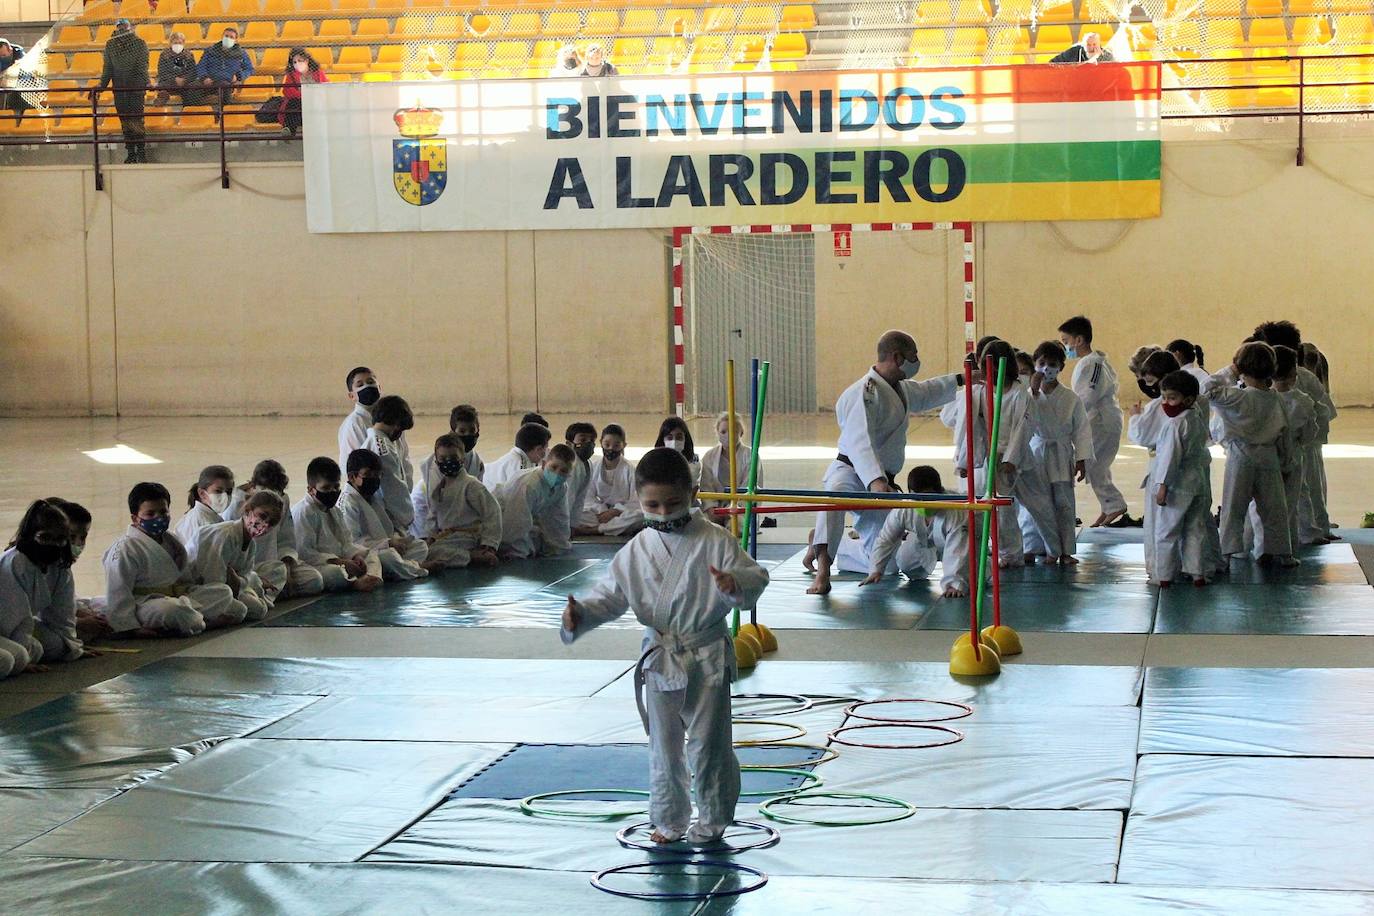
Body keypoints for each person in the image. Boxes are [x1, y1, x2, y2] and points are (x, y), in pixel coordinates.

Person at [560, 448, 769, 845]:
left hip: (704, 654)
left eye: (672, 503)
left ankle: (712, 819)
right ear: (638, 501)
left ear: (692, 494)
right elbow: (610, 597)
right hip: (660, 656)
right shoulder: (635, 550)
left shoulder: (715, 540)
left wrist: (735, 585)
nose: (662, 511)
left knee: (709, 744)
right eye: (652, 504)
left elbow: (755, 576)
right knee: (664, 745)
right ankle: (670, 819)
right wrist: (580, 614)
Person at [804, 330, 966, 595]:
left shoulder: (899, 388)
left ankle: (834, 545)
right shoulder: (864, 392)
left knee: (887, 565)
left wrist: (962, 378)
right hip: (851, 472)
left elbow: (928, 391)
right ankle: (822, 571)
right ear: (897, 357)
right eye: (913, 355)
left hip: (882, 480)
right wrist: (875, 480)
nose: (917, 360)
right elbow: (859, 440)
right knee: (834, 501)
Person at [98, 482, 244, 637]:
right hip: (145, 604)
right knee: (172, 610)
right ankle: (205, 623)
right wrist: (130, 627)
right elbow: (118, 591)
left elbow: (185, 578)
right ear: (135, 518)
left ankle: (188, 621)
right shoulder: (124, 548)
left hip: (179, 597)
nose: (158, 518)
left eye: (163, 512)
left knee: (225, 595)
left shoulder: (171, 540)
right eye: (150, 514)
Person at [1204, 342, 1295, 567]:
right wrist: (1286, 462)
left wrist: (1230, 371)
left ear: (1241, 367)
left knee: (1233, 507)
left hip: (1240, 456)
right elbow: (1285, 434)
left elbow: (1206, 390)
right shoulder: (1275, 399)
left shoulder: (1236, 397)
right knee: (1275, 508)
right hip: (1268, 456)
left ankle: (1227, 552)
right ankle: (1281, 552)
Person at [1252, 321, 1337, 544]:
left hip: (1294, 445)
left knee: (1303, 489)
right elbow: (1325, 411)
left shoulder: (1301, 378)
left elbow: (1322, 411)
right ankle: (1312, 529)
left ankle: (1313, 529)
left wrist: (1310, 437)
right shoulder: (1264, 377)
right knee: (1305, 489)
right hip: (1291, 446)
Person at [951, 339, 1031, 569]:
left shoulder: (1019, 394)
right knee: (977, 507)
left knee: (1002, 511)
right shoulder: (978, 392)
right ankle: (977, 551)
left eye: (995, 370)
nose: (991, 375)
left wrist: (1010, 460)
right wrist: (965, 460)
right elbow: (967, 428)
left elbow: (1022, 429)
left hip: (1004, 456)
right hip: (984, 455)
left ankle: (1011, 554)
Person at [1022, 341, 1094, 565]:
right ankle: (1032, 547)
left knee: (1063, 503)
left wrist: (1082, 459)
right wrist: (1033, 391)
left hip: (1061, 453)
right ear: (1034, 365)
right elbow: (1021, 420)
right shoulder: (1027, 395)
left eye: (1052, 364)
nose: (1046, 369)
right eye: (1042, 363)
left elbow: (1082, 430)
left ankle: (1064, 550)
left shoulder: (1071, 398)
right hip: (1035, 452)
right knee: (1034, 503)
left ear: (1061, 367)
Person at [1142, 371, 1214, 587]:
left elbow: (1169, 458)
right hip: (1197, 481)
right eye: (1163, 397)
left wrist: (1162, 485)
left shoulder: (1175, 425)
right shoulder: (1197, 418)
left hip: (1177, 484)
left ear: (1189, 399)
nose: (1166, 403)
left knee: (1167, 530)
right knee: (1195, 529)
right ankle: (1197, 573)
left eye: (1172, 398)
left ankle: (1164, 576)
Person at [1058, 316, 1130, 528]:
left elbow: (1087, 397)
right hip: (1098, 419)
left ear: (1078, 340)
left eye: (1066, 341)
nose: (1066, 346)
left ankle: (1114, 504)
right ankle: (1108, 505)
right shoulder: (1089, 363)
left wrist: (1069, 418)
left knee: (1094, 465)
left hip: (1102, 421)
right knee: (1099, 465)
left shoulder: (1093, 363)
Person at [1248, 345, 1318, 558]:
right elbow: (1309, 433)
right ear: (1294, 373)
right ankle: (1285, 553)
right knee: (1288, 506)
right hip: (1293, 457)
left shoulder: (1259, 398)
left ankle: (1260, 549)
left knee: (1258, 505)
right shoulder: (1303, 401)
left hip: (1263, 456)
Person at [860, 466, 972, 597]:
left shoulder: (956, 510)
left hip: (964, 541)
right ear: (910, 493)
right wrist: (876, 570)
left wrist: (953, 585)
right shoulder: (904, 509)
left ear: (940, 491)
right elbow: (886, 539)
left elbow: (957, 550)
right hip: (925, 540)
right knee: (906, 561)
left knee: (973, 574)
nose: (923, 503)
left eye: (928, 497)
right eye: (918, 498)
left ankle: (985, 565)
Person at [0, 500, 81, 675]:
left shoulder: (59, 566)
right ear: (31, 535)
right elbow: (12, 616)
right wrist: (24, 660)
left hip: (19, 629)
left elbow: (63, 613)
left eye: (59, 539)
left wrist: (72, 647)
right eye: (45, 538)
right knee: (13, 658)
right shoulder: (15, 562)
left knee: (55, 646)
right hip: (5, 628)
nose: (52, 544)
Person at [225, 459, 323, 599]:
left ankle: (265, 590)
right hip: (243, 570)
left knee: (314, 580)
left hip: (272, 567)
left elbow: (285, 540)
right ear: (253, 486)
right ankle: (262, 592)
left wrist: (287, 571)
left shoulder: (281, 501)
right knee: (247, 597)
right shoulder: (235, 506)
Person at [186, 491, 284, 621]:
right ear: (248, 510)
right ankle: (201, 618)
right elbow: (212, 580)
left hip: (228, 589)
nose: (265, 524)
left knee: (259, 609)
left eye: (271, 522)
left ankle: (212, 616)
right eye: (262, 515)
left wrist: (238, 581)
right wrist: (237, 582)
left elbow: (245, 576)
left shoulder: (251, 544)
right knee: (237, 605)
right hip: (196, 587)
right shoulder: (226, 535)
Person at [410, 434, 502, 568]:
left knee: (432, 552)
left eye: (453, 458)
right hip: (446, 537)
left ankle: (472, 557)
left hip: (467, 536)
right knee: (417, 548)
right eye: (443, 458)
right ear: (436, 461)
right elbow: (433, 515)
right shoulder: (439, 486)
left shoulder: (471, 485)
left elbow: (492, 512)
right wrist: (429, 536)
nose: (448, 462)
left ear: (462, 459)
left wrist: (489, 544)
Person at [339, 448, 433, 580]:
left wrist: (397, 540)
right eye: (368, 474)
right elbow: (353, 543)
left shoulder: (374, 497)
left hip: (385, 548)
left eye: (377, 474)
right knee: (389, 558)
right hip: (365, 555)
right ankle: (418, 568)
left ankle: (402, 568)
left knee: (420, 546)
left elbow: (388, 528)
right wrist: (387, 544)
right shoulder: (347, 502)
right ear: (352, 477)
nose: (374, 478)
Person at [292, 457, 383, 592]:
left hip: (341, 560)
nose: (332, 492)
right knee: (333, 573)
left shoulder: (334, 510)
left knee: (370, 554)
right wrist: (339, 562)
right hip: (319, 564)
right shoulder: (304, 512)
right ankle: (354, 583)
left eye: (336, 487)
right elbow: (305, 554)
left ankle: (370, 577)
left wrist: (355, 556)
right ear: (311, 489)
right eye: (326, 488)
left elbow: (346, 542)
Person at [493, 443, 575, 559]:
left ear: (569, 474)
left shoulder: (562, 487)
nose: (557, 474)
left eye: (563, 471)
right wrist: (518, 552)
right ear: (544, 464)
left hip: (525, 520)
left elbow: (559, 519)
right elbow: (516, 520)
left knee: (554, 547)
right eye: (554, 467)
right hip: (501, 518)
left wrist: (560, 544)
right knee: (522, 551)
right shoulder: (530, 484)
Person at [574, 424, 643, 537]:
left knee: (639, 516)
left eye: (616, 445)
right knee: (577, 514)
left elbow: (636, 501)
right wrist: (602, 511)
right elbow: (588, 497)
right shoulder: (593, 467)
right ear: (601, 443)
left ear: (624, 445)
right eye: (607, 444)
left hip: (621, 514)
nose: (611, 449)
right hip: (599, 514)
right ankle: (613, 528)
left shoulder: (630, 470)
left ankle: (595, 530)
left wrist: (615, 511)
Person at [363, 394, 417, 537]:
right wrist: (408, 516)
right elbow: (393, 488)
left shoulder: (374, 441)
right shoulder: (383, 448)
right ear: (397, 425)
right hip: (385, 516)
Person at [97, 19, 150, 164]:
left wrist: (146, 83)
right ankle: (131, 152)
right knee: (125, 121)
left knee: (137, 121)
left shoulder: (140, 43)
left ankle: (141, 151)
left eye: (124, 27)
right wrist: (101, 86)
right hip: (119, 89)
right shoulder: (110, 45)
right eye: (120, 27)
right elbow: (107, 69)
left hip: (136, 89)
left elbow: (142, 67)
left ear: (130, 28)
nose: (122, 29)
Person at [699, 412, 753, 523]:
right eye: (723, 432)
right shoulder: (709, 456)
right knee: (703, 525)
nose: (728, 435)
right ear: (717, 433)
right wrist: (712, 509)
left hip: (741, 510)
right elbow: (706, 487)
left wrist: (732, 509)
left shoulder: (751, 457)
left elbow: (749, 487)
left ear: (741, 433)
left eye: (733, 431)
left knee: (736, 525)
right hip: (715, 510)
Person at [195, 26, 254, 116]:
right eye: (226, 36)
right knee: (191, 87)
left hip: (226, 82)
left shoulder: (241, 53)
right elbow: (201, 66)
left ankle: (221, 116)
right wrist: (204, 77)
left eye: (231, 37)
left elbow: (249, 69)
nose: (228, 39)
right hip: (208, 81)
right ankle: (193, 115)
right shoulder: (210, 51)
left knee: (224, 87)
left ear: (236, 40)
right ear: (222, 37)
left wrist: (238, 76)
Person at [175, 464, 235, 545]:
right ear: (202, 493)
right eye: (218, 491)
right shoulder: (206, 525)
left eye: (228, 492)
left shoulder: (194, 515)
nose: (225, 497)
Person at [486, 422, 553, 488]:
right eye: (545, 448)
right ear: (538, 449)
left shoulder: (517, 457)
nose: (546, 452)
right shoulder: (519, 467)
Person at [279, 47, 326, 138]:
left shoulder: (318, 73)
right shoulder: (291, 75)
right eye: (294, 62)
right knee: (293, 103)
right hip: (300, 103)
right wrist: (304, 95)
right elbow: (287, 91)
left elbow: (326, 87)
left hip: (317, 103)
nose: (297, 64)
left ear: (307, 60)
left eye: (300, 60)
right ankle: (289, 131)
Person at [564, 421, 598, 522]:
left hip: (572, 512)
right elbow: (567, 499)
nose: (588, 443)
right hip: (559, 511)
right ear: (569, 444)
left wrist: (573, 525)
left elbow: (580, 499)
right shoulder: (570, 465)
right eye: (583, 439)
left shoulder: (588, 464)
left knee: (594, 517)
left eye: (591, 440)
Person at [655, 416, 701, 488]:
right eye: (669, 438)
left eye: (679, 437)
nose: (674, 441)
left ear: (685, 439)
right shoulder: (654, 462)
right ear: (662, 440)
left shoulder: (694, 461)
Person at [154, 32, 197, 106]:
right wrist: (175, 79)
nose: (177, 45)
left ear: (183, 43)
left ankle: (188, 111)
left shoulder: (189, 55)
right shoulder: (164, 55)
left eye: (180, 43)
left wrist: (184, 79)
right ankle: (160, 103)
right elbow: (162, 72)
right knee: (162, 86)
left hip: (185, 83)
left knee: (192, 88)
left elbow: (193, 72)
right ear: (170, 43)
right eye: (175, 43)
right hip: (169, 82)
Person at [0, 38, 33, 124]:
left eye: (3, 55)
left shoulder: (21, 57)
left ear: (10, 51)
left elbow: (25, 76)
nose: (1, 58)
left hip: (19, 88)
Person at [450, 404, 485, 479]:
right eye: (462, 431)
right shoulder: (440, 461)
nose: (467, 434)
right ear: (453, 432)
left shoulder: (477, 463)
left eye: (472, 430)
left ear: (478, 430)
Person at [1049, 31, 1113, 64]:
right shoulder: (1073, 51)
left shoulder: (1107, 56)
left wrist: (1098, 58)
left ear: (1099, 44)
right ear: (1083, 45)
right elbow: (1052, 63)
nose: (1091, 47)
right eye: (1088, 44)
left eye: (1094, 44)